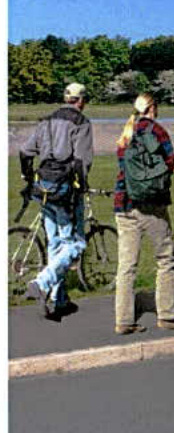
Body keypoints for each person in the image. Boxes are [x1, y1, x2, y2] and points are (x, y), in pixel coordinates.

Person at [112, 92, 174, 334]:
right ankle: (168, 314)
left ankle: (124, 320)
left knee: (127, 266)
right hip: (151, 206)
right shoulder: (157, 131)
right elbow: (169, 162)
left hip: (123, 204)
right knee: (166, 258)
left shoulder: (126, 132)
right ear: (152, 108)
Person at [18, 82, 96, 320]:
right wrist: (82, 186)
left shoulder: (47, 121)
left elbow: (25, 152)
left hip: (43, 187)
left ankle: (58, 299)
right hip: (65, 190)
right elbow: (82, 161)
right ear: (81, 100)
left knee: (54, 243)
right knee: (76, 244)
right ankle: (42, 283)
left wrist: (28, 175)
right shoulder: (81, 123)